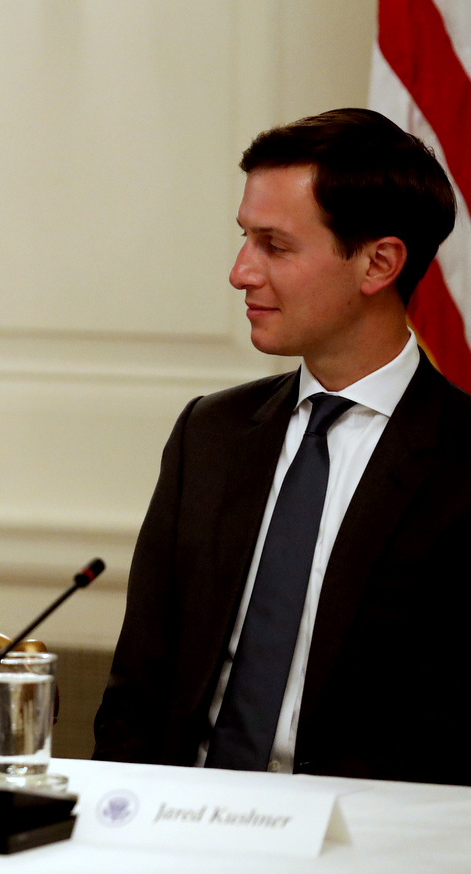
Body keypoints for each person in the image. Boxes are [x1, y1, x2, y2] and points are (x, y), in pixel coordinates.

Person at [94, 109, 470, 784]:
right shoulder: (207, 435)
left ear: (379, 262)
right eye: (245, 238)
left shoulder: (463, 461)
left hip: (375, 857)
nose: (241, 272)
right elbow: (137, 695)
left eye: (274, 245)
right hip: (178, 833)